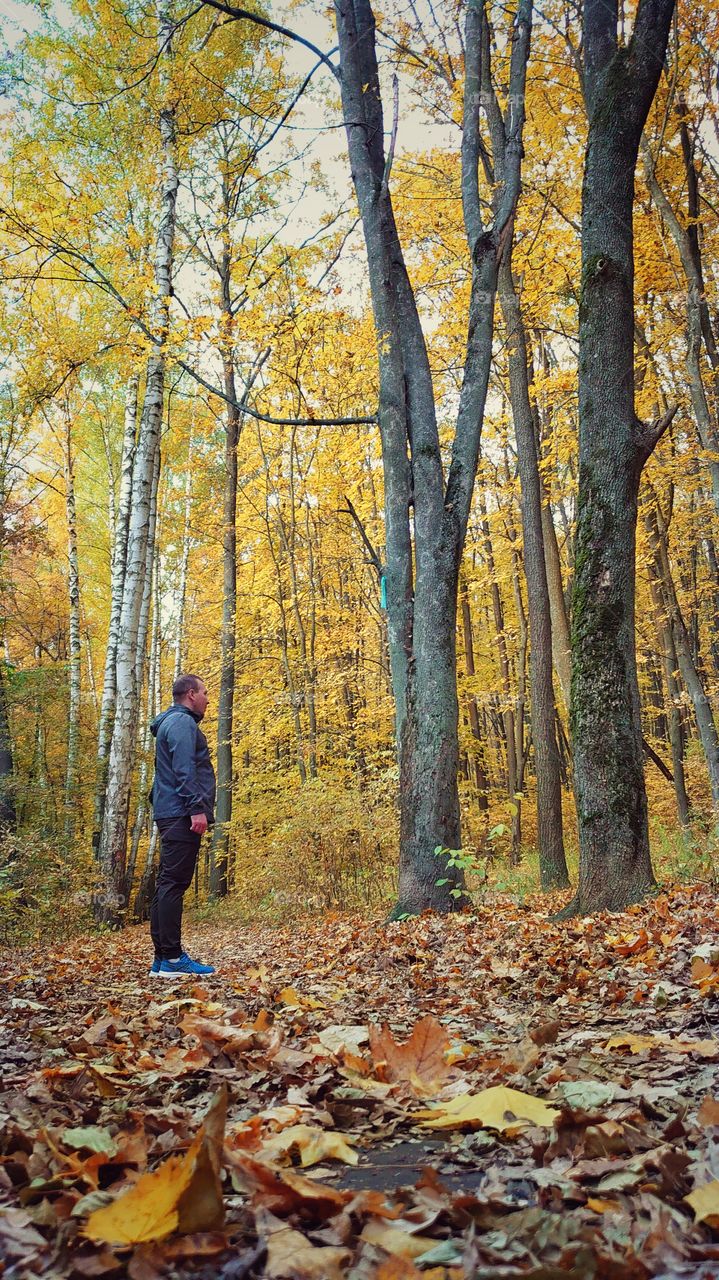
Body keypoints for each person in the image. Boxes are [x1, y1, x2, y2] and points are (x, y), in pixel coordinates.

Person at [148, 673, 216, 977]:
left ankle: (163, 959)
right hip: (180, 813)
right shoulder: (182, 724)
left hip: (172, 811)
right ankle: (173, 959)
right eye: (204, 692)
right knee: (174, 884)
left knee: (167, 884)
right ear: (190, 694)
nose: (207, 698)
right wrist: (196, 809)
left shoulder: (170, 723)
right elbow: (184, 770)